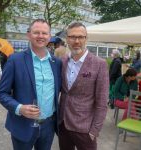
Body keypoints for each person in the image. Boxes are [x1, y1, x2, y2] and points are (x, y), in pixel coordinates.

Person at [0, 19, 62, 150]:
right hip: (22, 125)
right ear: (29, 35)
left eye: (44, 33)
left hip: (48, 124)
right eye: (36, 32)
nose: (40, 36)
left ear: (49, 36)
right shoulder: (15, 60)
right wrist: (19, 108)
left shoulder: (57, 62)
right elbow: (2, 93)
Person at [59, 22, 109, 150]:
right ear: (67, 39)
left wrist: (94, 131)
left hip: (85, 129)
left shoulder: (99, 64)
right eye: (72, 37)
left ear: (86, 39)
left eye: (81, 37)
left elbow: (102, 101)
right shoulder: (62, 61)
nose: (76, 41)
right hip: (63, 124)